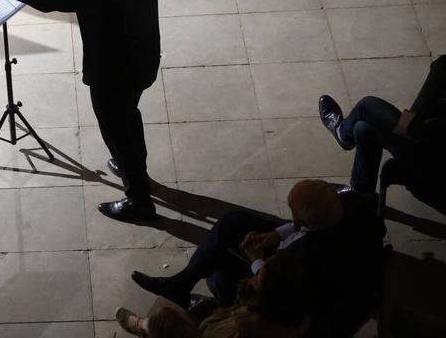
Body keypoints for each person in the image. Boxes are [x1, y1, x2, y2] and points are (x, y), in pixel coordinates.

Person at [0, 0, 160, 221]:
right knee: (129, 118)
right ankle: (130, 163)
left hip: (113, 74)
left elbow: (48, 0)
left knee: (118, 130)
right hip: (143, 62)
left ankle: (139, 199)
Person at [131, 179, 386, 337]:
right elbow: (313, 224)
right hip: (303, 251)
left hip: (292, 283)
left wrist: (256, 259)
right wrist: (275, 233)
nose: (292, 218)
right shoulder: (349, 204)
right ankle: (182, 284)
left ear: (306, 221)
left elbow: (276, 284)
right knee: (234, 222)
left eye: (294, 215)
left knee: (222, 268)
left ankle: (218, 299)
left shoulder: (305, 257)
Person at [318, 55, 446, 199]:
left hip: (434, 163)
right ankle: (361, 196)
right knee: (363, 128)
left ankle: (342, 133)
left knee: (367, 107)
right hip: (432, 144)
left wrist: (408, 126)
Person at [116, 252, 308, 337]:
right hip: (231, 314)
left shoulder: (238, 329)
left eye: (259, 278)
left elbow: (207, 332)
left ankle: (142, 326)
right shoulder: (295, 311)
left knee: (165, 319)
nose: (253, 277)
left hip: (209, 327)